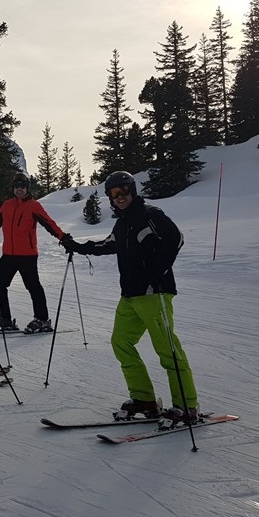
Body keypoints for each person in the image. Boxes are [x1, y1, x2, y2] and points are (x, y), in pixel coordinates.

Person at [61, 171, 200, 423]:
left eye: (124, 191)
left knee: (167, 349)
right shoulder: (122, 222)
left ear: (132, 191)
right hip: (130, 295)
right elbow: (109, 245)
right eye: (114, 194)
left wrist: (157, 271)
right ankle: (144, 399)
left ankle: (186, 405)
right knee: (121, 342)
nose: (120, 197)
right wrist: (80, 247)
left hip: (154, 293)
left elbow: (175, 238)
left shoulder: (150, 214)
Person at [0, 171, 68, 334]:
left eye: (22, 186)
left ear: (27, 188)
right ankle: (4, 318)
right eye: (16, 186)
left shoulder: (33, 206)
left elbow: (49, 223)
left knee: (33, 286)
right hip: (9, 254)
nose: (19, 189)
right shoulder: (7, 205)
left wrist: (63, 237)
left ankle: (42, 320)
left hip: (28, 255)